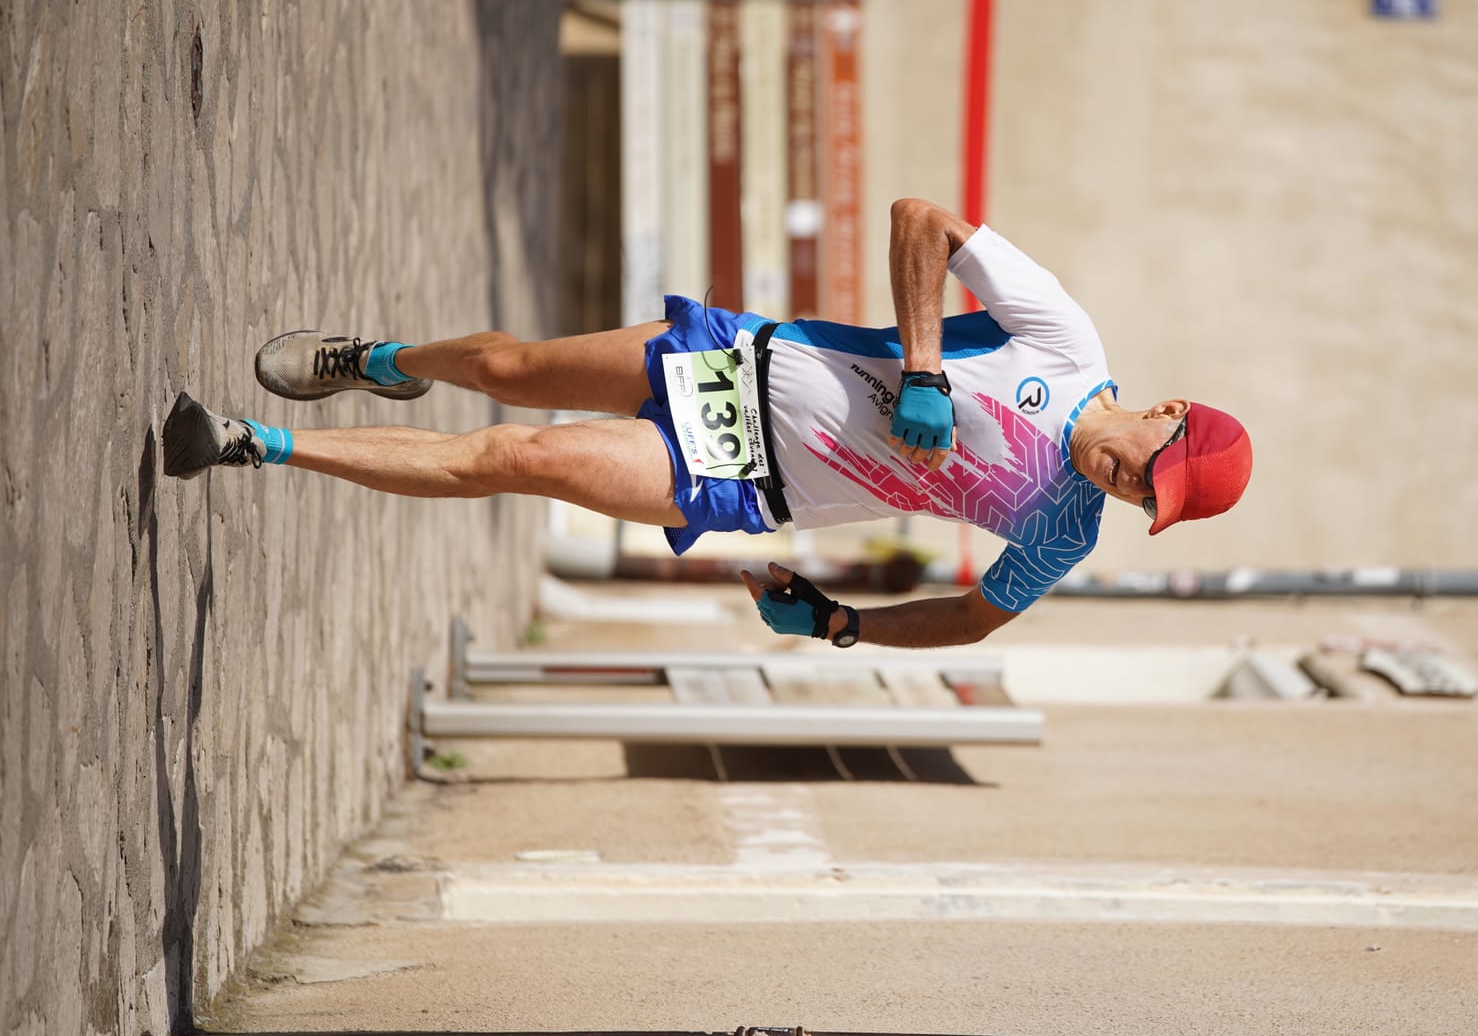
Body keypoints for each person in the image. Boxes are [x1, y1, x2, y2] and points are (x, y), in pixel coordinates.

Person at [165, 198, 1252, 648]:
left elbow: (975, 615)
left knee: (517, 455)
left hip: (747, 478)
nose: (1129, 487)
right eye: (1149, 468)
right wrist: (922, 363)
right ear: (1163, 411)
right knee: (506, 368)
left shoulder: (1063, 527)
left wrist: (841, 626)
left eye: (1150, 503)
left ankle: (256, 444)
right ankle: (384, 363)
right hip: (735, 362)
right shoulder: (1063, 340)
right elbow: (923, 220)